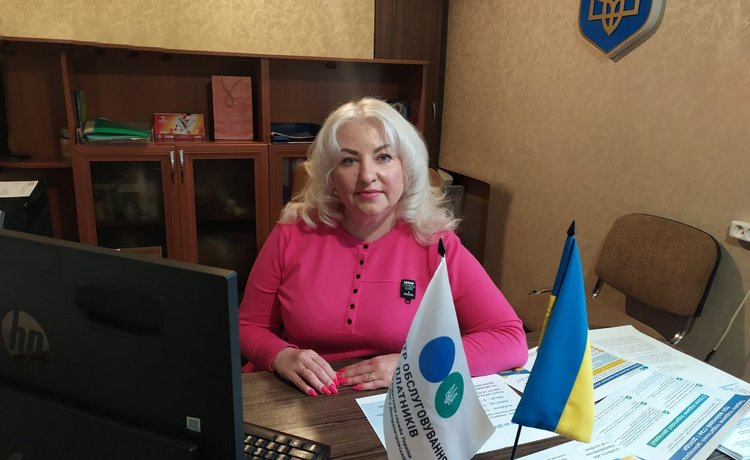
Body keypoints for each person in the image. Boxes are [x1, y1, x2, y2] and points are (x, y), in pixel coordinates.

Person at [238, 97, 527, 397]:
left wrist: (412, 365)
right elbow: (246, 326)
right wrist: (281, 355)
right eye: (349, 160)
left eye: (384, 157)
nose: (366, 175)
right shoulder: (291, 232)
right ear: (331, 176)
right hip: (297, 397)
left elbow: (509, 339)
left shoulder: (436, 243)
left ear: (407, 169)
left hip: (393, 403)